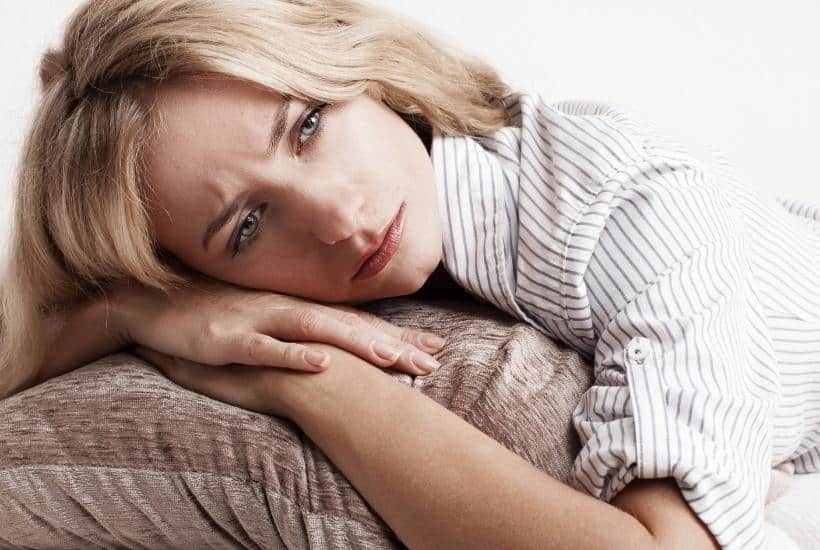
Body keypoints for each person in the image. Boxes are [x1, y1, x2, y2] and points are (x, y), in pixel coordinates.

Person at [1, 0, 818, 548]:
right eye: (247, 226)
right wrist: (147, 314)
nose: (336, 216)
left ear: (364, 68)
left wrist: (308, 382)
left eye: (309, 126)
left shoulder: (638, 213)